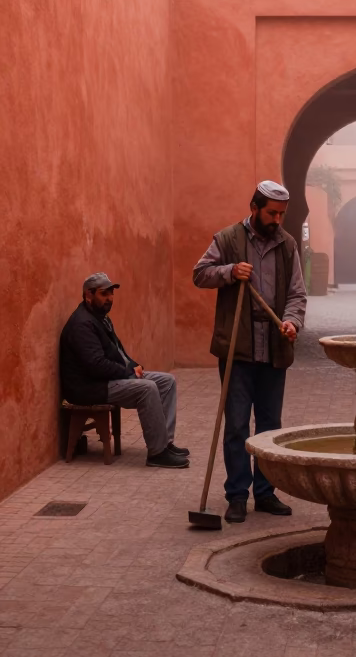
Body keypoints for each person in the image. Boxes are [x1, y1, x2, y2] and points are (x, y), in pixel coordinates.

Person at [193, 180, 307, 523]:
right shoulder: (227, 239)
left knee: (270, 427)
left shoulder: (287, 245)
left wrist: (292, 322)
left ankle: (266, 493)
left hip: (274, 347)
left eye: (281, 214)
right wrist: (229, 271)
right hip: (237, 348)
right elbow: (200, 274)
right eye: (271, 213)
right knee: (237, 425)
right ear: (254, 208)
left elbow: (297, 294)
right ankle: (237, 495)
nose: (277, 220)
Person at [60, 273, 190, 468]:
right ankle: (157, 453)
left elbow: (117, 352)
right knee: (147, 388)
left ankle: (165, 443)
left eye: (111, 293)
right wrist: (127, 372)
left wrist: (133, 365)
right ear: (88, 295)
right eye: (104, 294)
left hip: (105, 379)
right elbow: (96, 366)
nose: (110, 298)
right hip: (89, 387)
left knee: (167, 382)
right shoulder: (82, 325)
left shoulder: (101, 318)